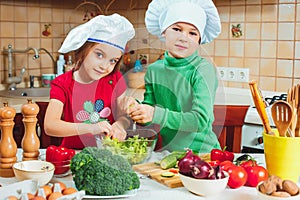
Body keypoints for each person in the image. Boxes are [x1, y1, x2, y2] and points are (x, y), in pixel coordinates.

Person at [123, 0, 222, 153]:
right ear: (164, 32)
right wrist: (136, 107)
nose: (184, 38)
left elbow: (200, 120)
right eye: (177, 29)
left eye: (192, 33)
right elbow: (150, 112)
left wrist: (155, 114)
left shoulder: (203, 69)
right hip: (170, 154)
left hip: (204, 155)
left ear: (199, 40)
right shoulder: (154, 70)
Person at [44, 13, 135, 149]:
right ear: (84, 49)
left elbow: (124, 116)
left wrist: (120, 124)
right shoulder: (63, 83)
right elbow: (50, 125)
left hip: (107, 154)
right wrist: (91, 128)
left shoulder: (115, 79)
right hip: (72, 154)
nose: (104, 66)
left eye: (112, 61)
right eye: (99, 55)